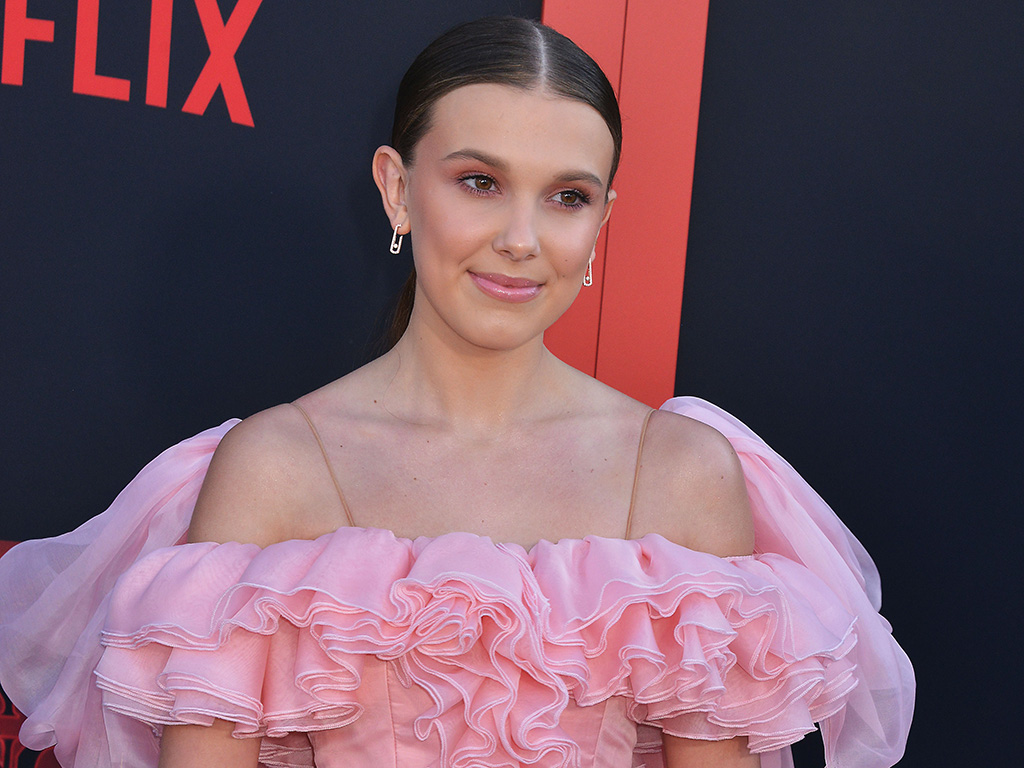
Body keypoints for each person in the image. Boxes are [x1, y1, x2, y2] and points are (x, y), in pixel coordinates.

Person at [0, 16, 913, 768]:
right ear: (398, 192)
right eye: (479, 182)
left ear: (603, 222)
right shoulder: (275, 467)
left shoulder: (678, 472)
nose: (522, 237)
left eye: (566, 197)